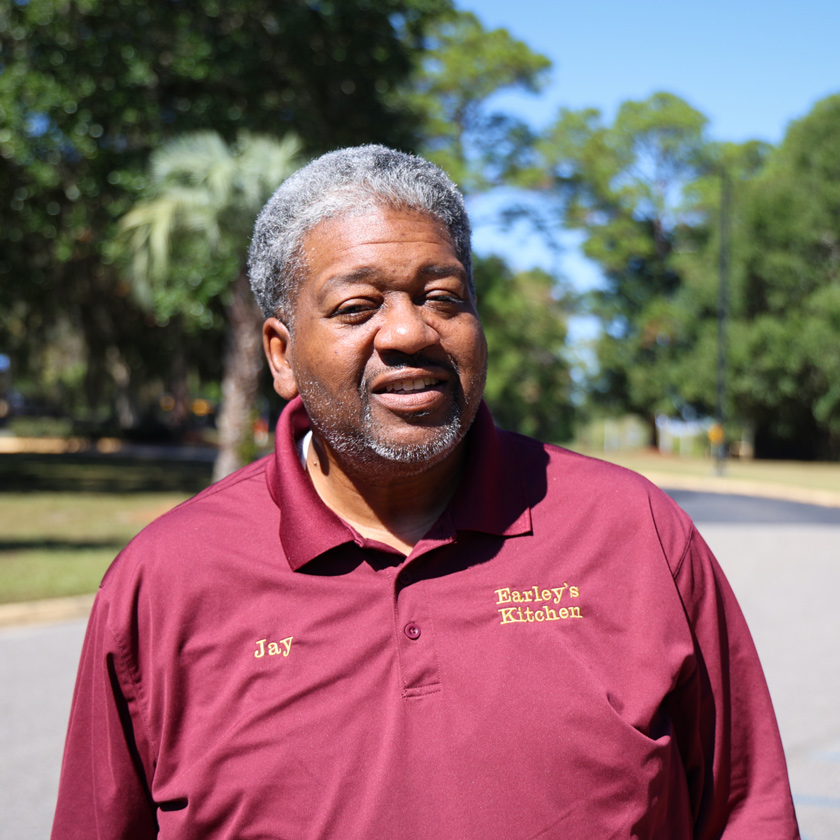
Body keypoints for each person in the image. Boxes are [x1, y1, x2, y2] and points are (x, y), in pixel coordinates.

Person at [52, 145, 799, 839]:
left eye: (443, 297)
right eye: (357, 307)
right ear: (280, 354)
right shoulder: (167, 582)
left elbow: (748, 810)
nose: (409, 332)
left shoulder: (635, 534)